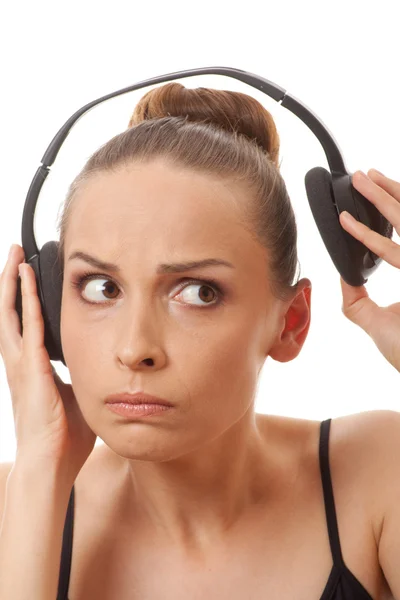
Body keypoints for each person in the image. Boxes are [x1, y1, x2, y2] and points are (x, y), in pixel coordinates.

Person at [0, 82, 398, 599]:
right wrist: (40, 471)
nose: (134, 348)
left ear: (291, 322)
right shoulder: (18, 504)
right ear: (47, 314)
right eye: (102, 288)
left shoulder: (375, 472)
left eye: (198, 292)